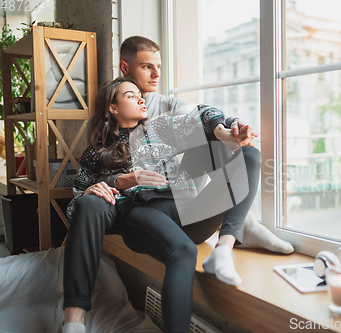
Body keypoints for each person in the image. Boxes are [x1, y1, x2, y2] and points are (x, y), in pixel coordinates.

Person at [63, 77, 261, 333]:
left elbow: (200, 113)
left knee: (249, 155)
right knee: (183, 252)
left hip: (186, 209)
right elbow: (74, 208)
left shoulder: (159, 129)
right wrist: (95, 188)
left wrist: (225, 130)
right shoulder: (96, 154)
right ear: (112, 107)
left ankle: (224, 248)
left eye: (140, 94)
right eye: (131, 95)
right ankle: (74, 321)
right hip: (144, 212)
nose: (141, 98)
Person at [114, 36, 293, 254]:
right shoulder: (113, 110)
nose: (157, 74)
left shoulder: (168, 104)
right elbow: (99, 166)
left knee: (213, 136)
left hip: (184, 202)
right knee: (207, 135)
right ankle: (242, 227)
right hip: (153, 211)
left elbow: (203, 115)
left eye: (159, 67)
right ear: (125, 67)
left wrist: (231, 126)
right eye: (147, 67)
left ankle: (246, 226)